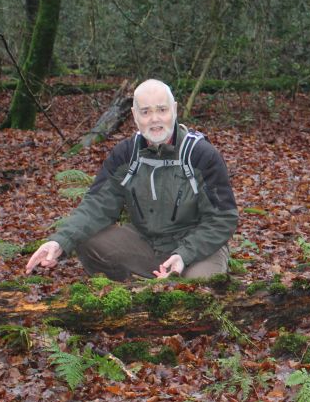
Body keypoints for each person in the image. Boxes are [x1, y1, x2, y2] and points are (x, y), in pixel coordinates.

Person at [25, 79, 238, 280]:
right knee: (85, 240)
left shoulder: (201, 155)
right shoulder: (125, 154)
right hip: (146, 243)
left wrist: (184, 254)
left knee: (198, 290)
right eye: (146, 112)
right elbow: (97, 205)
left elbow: (222, 219)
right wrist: (58, 241)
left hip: (196, 250)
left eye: (162, 110)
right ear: (135, 115)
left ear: (174, 109)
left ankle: (178, 285)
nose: (155, 119)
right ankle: (132, 295)